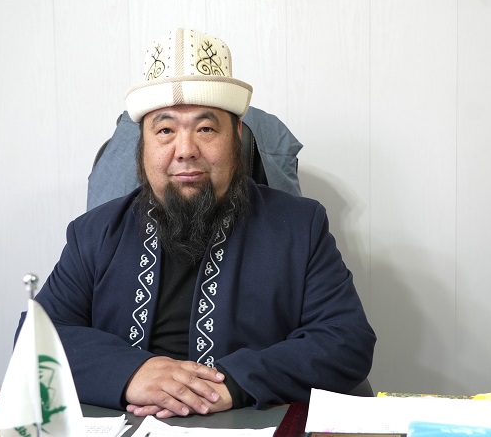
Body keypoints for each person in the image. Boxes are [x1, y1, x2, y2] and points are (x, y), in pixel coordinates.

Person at [20, 28, 376, 419]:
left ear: (236, 135)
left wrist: (232, 383)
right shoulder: (94, 233)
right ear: (143, 144)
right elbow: (36, 339)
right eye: (165, 130)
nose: (186, 150)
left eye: (205, 129)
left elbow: (346, 340)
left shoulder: (299, 226)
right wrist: (132, 372)